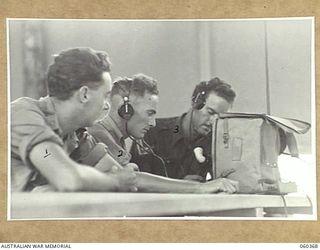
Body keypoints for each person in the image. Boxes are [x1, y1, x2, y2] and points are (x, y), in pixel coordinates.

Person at [11, 47, 137, 192]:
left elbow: (124, 176)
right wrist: (115, 181)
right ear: (84, 94)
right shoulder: (23, 115)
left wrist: (124, 178)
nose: (106, 105)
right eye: (105, 95)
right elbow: (68, 179)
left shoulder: (75, 134)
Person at [88, 74, 238, 193]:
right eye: (149, 113)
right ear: (125, 109)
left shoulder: (115, 139)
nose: (153, 123)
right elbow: (134, 179)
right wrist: (200, 188)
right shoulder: (100, 135)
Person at [131, 77, 237, 182]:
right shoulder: (152, 132)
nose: (214, 121)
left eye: (220, 117)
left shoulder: (215, 145)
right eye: (210, 112)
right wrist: (181, 186)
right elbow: (137, 181)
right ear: (196, 103)